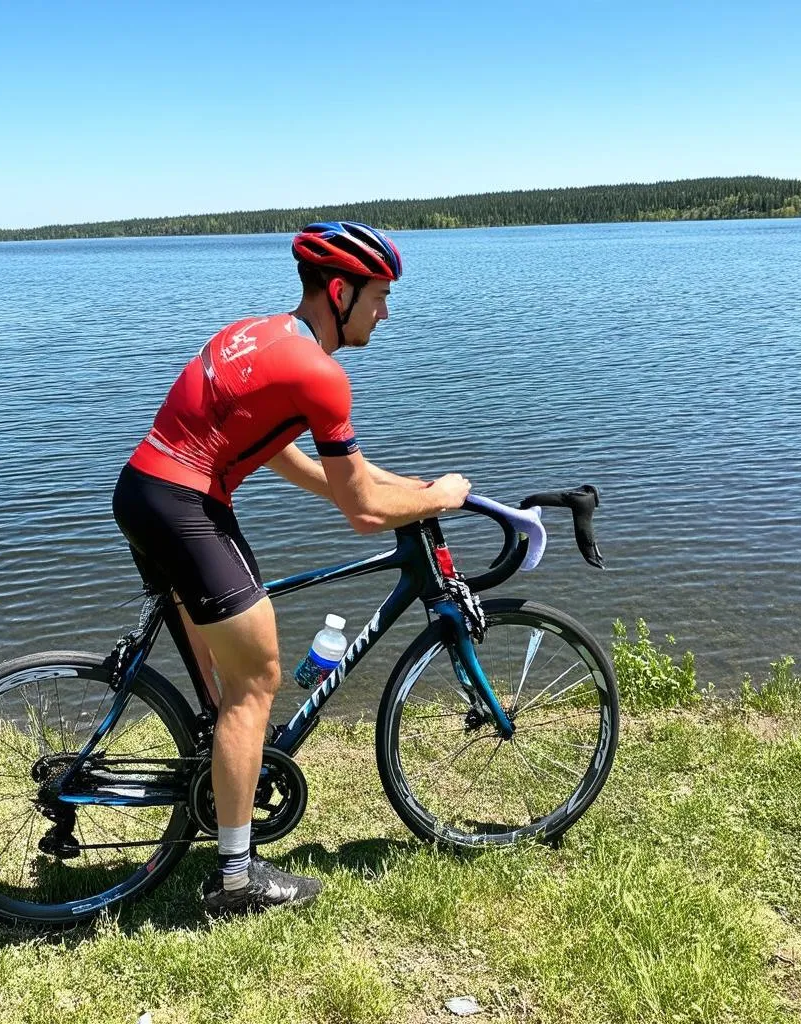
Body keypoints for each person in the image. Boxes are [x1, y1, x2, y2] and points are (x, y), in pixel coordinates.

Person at [111, 221, 471, 916]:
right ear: (340, 292)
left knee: (225, 694)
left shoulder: (259, 335)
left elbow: (287, 456)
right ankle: (237, 881)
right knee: (258, 680)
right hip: (186, 505)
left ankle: (220, 786)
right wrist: (440, 498)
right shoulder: (322, 374)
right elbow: (362, 511)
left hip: (146, 490)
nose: (386, 313)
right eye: (379, 297)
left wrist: (413, 489)